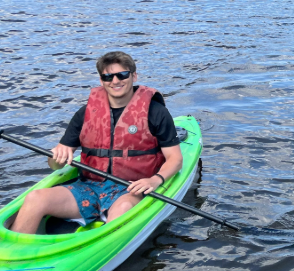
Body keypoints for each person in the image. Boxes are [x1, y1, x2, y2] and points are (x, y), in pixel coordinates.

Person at [11, 52, 182, 234]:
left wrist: (155, 180)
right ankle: (12, 257)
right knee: (35, 198)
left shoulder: (156, 112)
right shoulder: (86, 113)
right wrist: (57, 157)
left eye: (122, 75)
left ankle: (95, 254)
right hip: (88, 187)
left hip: (130, 188)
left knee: (123, 209)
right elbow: (55, 165)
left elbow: (175, 159)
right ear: (101, 81)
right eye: (108, 76)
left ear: (134, 76)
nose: (115, 81)